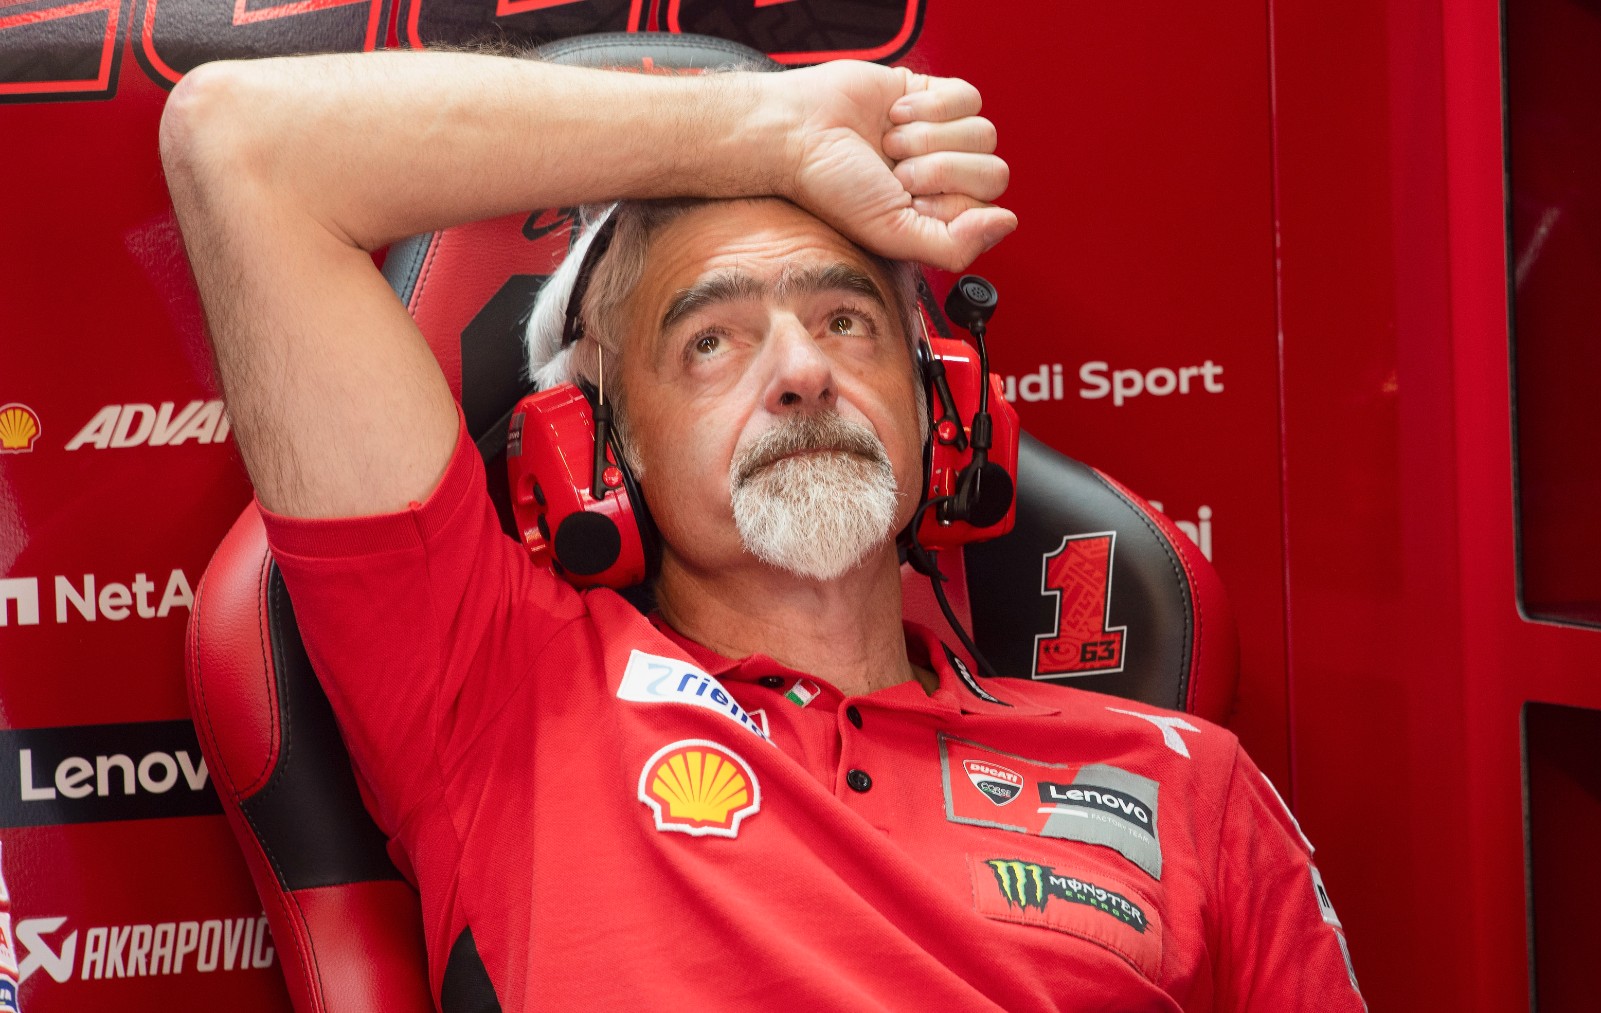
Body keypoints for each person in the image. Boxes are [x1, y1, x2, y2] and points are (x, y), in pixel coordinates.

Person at [160, 47, 1365, 1012]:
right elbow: (240, 144)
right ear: (596, 454)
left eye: (847, 321)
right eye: (712, 340)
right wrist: (771, 130)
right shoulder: (495, 692)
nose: (799, 371)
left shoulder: (1185, 782)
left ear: (941, 412)